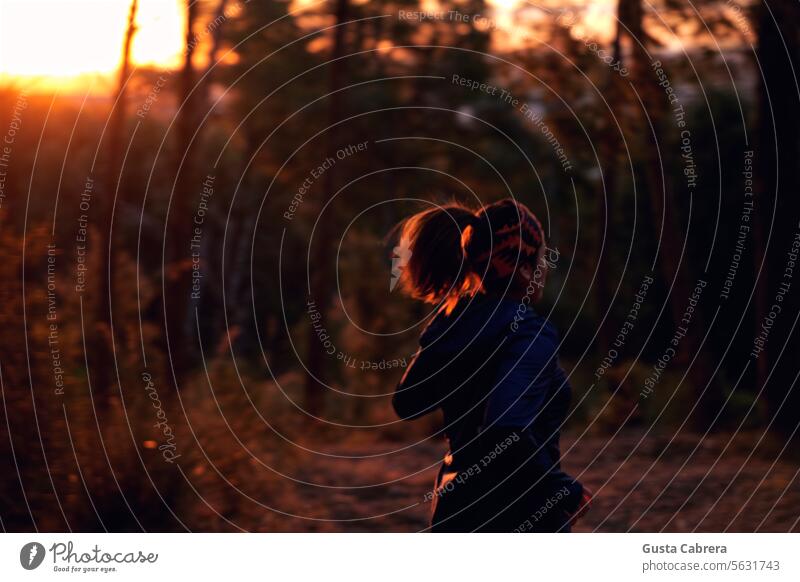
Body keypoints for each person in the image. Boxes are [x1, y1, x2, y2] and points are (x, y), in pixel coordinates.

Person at [392, 199, 591, 532]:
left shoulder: (454, 324)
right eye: (542, 256)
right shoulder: (529, 330)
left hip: (455, 510)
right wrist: (561, 488)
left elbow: (407, 402)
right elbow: (505, 429)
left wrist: (445, 327)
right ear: (523, 264)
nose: (546, 266)